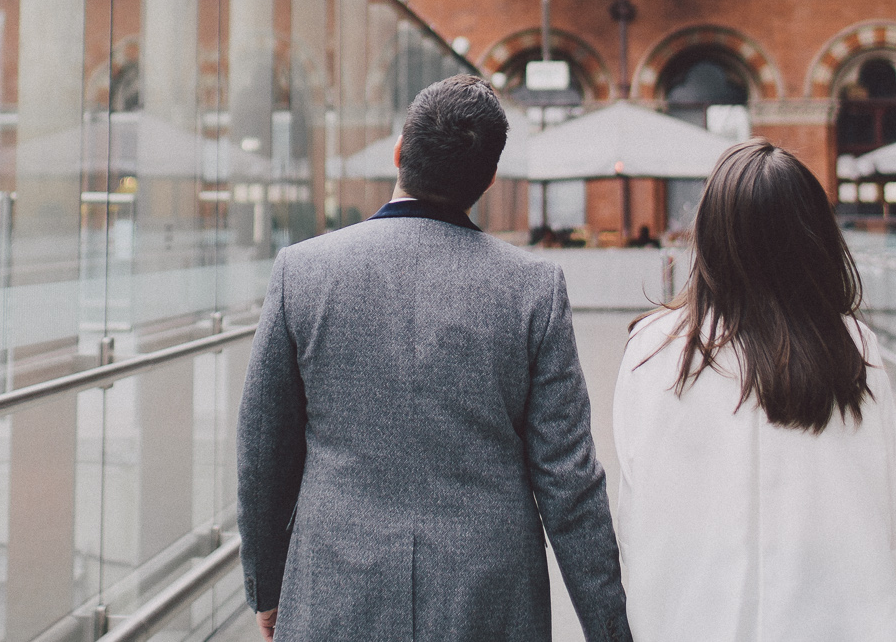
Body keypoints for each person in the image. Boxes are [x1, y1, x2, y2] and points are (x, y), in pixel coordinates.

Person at [237, 74, 631, 642]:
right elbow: (570, 483)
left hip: (336, 586)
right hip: (490, 596)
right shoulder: (531, 289)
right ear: (488, 180)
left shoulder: (303, 271)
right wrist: (610, 630)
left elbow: (264, 453)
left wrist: (267, 588)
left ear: (400, 153)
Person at [613, 139, 896, 642]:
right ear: (814, 238)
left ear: (710, 236)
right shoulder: (851, 346)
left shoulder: (652, 350)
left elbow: (633, 508)